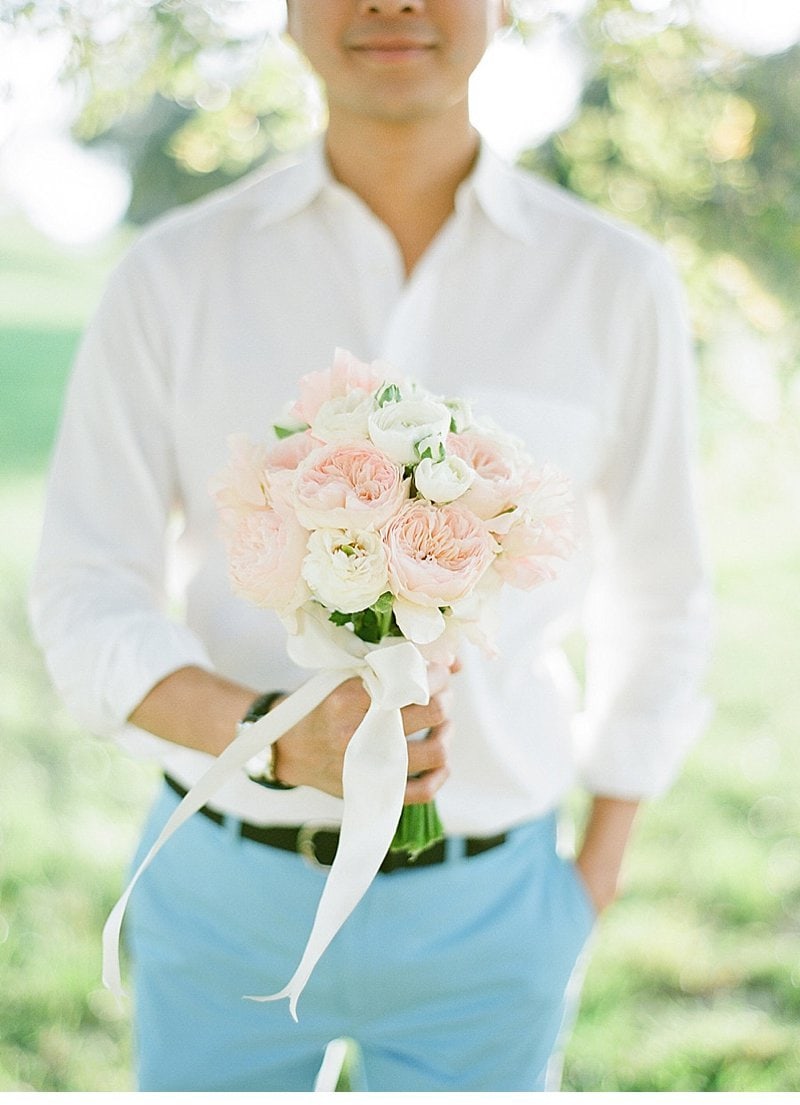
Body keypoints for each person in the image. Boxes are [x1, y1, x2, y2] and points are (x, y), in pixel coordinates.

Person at [30, 0, 712, 1092]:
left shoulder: (612, 280)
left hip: (492, 912)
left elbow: (664, 592)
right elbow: (82, 590)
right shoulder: (170, 275)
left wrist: (589, 880)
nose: (392, 2)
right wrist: (266, 735)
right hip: (221, 897)